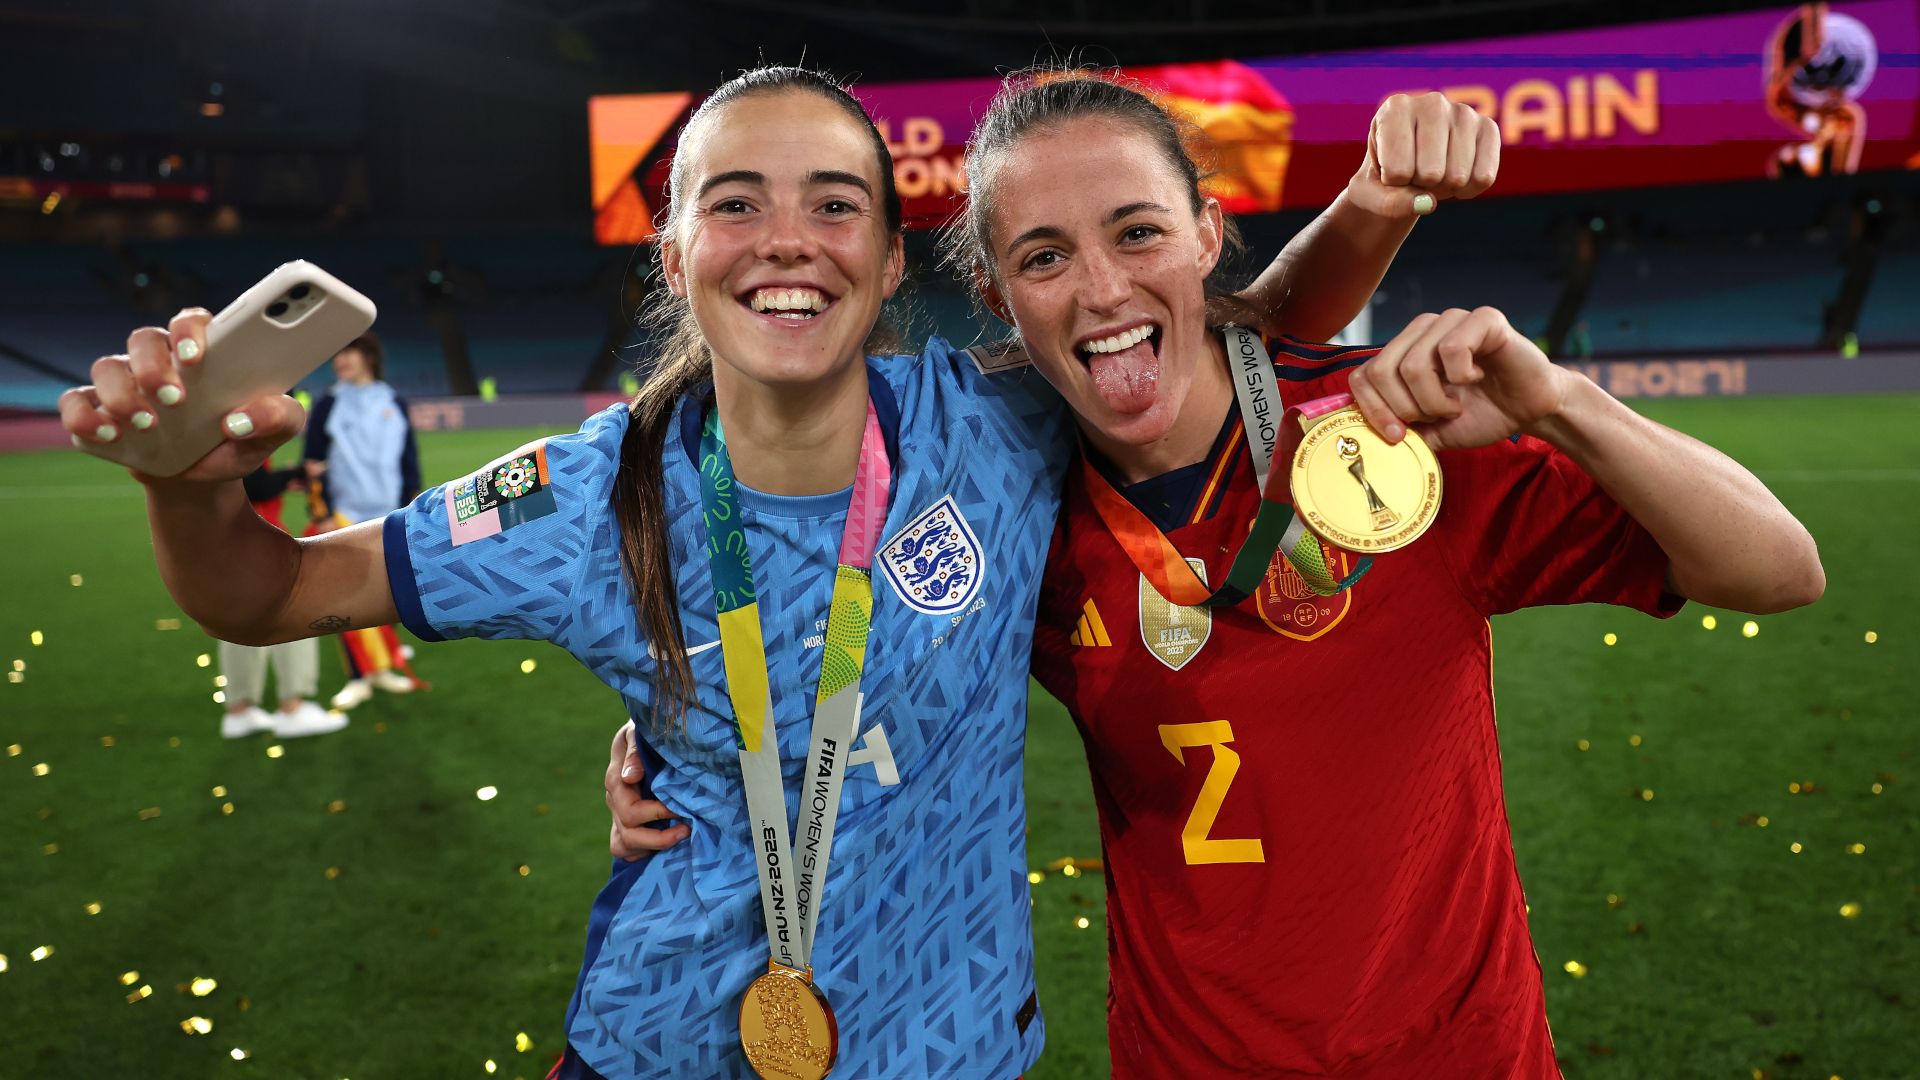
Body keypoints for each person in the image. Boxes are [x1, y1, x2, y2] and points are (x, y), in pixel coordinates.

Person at [65, 67, 1485, 1079]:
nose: (787, 240)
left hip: (951, 1054)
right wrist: (192, 488)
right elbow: (268, 594)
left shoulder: (989, 425)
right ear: (675, 252)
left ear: (882, 261)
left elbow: (1200, 349)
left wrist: (1380, 200)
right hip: (658, 1045)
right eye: (734, 204)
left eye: (833, 204)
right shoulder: (582, 492)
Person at [598, 70, 1823, 1078]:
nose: (1102, 289)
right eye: (1042, 258)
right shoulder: (1006, 512)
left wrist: (1561, 401)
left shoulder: (1389, 438)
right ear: (996, 300)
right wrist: (672, 750)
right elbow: (832, 616)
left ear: (1206, 235)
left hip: (1463, 1056)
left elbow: (1781, 570)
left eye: (1137, 232)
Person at [301, 332, 427, 709]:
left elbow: (408, 459)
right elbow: (312, 463)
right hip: (344, 514)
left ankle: (382, 667)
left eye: (347, 351)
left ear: (368, 355)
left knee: (386, 591)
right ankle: (358, 676)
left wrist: (412, 504)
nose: (339, 360)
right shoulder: (327, 404)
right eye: (335, 354)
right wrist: (320, 514)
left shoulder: (393, 401)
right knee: (347, 593)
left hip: (389, 514)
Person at [217, 459, 346, 739]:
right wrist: (296, 472)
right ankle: (293, 707)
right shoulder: (234, 424)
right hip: (256, 540)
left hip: (223, 540)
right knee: (295, 610)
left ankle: (239, 711)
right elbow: (253, 485)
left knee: (239, 623)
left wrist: (282, 477)